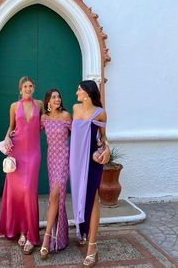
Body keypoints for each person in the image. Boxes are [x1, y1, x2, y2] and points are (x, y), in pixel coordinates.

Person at [0, 76, 43, 255]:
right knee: (17, 192)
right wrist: (7, 137)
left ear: (34, 88)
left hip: (33, 154)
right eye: (25, 86)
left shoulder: (39, 104)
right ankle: (22, 231)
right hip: (16, 152)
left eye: (30, 86)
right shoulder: (14, 106)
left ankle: (32, 235)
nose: (28, 88)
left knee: (29, 192)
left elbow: (46, 122)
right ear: (20, 89)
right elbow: (11, 127)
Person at [69, 80, 110, 268]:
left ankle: (92, 246)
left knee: (92, 198)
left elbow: (103, 138)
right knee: (79, 196)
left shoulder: (100, 113)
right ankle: (83, 231)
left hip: (92, 162)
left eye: (79, 89)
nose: (76, 91)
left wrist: (106, 150)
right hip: (75, 162)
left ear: (87, 92)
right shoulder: (75, 109)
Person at [39, 89, 72, 259]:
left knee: (54, 195)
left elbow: (78, 135)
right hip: (51, 160)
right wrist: (10, 138)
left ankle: (46, 239)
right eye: (53, 97)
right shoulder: (44, 118)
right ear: (48, 102)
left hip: (64, 159)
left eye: (59, 96)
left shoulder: (66, 116)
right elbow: (28, 132)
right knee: (56, 199)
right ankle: (61, 236)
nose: (57, 99)